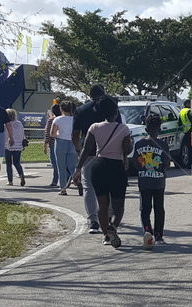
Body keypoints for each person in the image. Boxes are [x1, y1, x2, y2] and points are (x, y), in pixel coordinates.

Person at [71, 95, 132, 248]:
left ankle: (106, 235)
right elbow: (127, 150)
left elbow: (86, 149)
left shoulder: (94, 127)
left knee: (102, 204)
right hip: (116, 166)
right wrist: (129, 142)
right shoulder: (123, 129)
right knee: (118, 206)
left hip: (99, 166)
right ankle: (113, 227)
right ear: (116, 112)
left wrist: (78, 169)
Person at [72, 85, 121, 233]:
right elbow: (118, 128)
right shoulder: (111, 108)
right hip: (110, 154)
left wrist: (79, 150)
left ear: (89, 94)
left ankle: (93, 220)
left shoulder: (81, 110)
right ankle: (110, 217)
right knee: (110, 186)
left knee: (89, 188)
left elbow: (75, 134)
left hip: (89, 153)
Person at [132, 114, 171, 247]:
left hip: (144, 181)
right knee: (159, 208)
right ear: (159, 128)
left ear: (146, 129)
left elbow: (136, 163)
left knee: (145, 208)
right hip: (159, 181)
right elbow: (166, 164)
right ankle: (159, 235)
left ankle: (147, 231)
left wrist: (144, 166)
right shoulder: (163, 144)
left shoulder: (139, 144)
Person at [50, 100, 77, 194]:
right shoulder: (75, 119)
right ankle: (77, 180)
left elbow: (52, 134)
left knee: (61, 166)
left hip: (61, 142)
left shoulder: (57, 119)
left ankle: (63, 188)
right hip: (73, 142)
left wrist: (58, 133)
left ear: (61, 109)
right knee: (72, 166)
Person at [4, 109, 26, 186]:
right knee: (17, 162)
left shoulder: (6, 124)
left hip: (8, 145)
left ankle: (10, 181)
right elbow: (23, 134)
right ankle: (21, 175)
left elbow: (5, 135)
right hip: (18, 145)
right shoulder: (19, 123)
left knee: (8, 163)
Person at [44, 103, 62, 187]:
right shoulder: (64, 119)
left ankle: (55, 181)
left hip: (52, 143)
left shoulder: (51, 120)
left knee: (54, 163)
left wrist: (45, 144)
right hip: (62, 141)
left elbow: (47, 133)